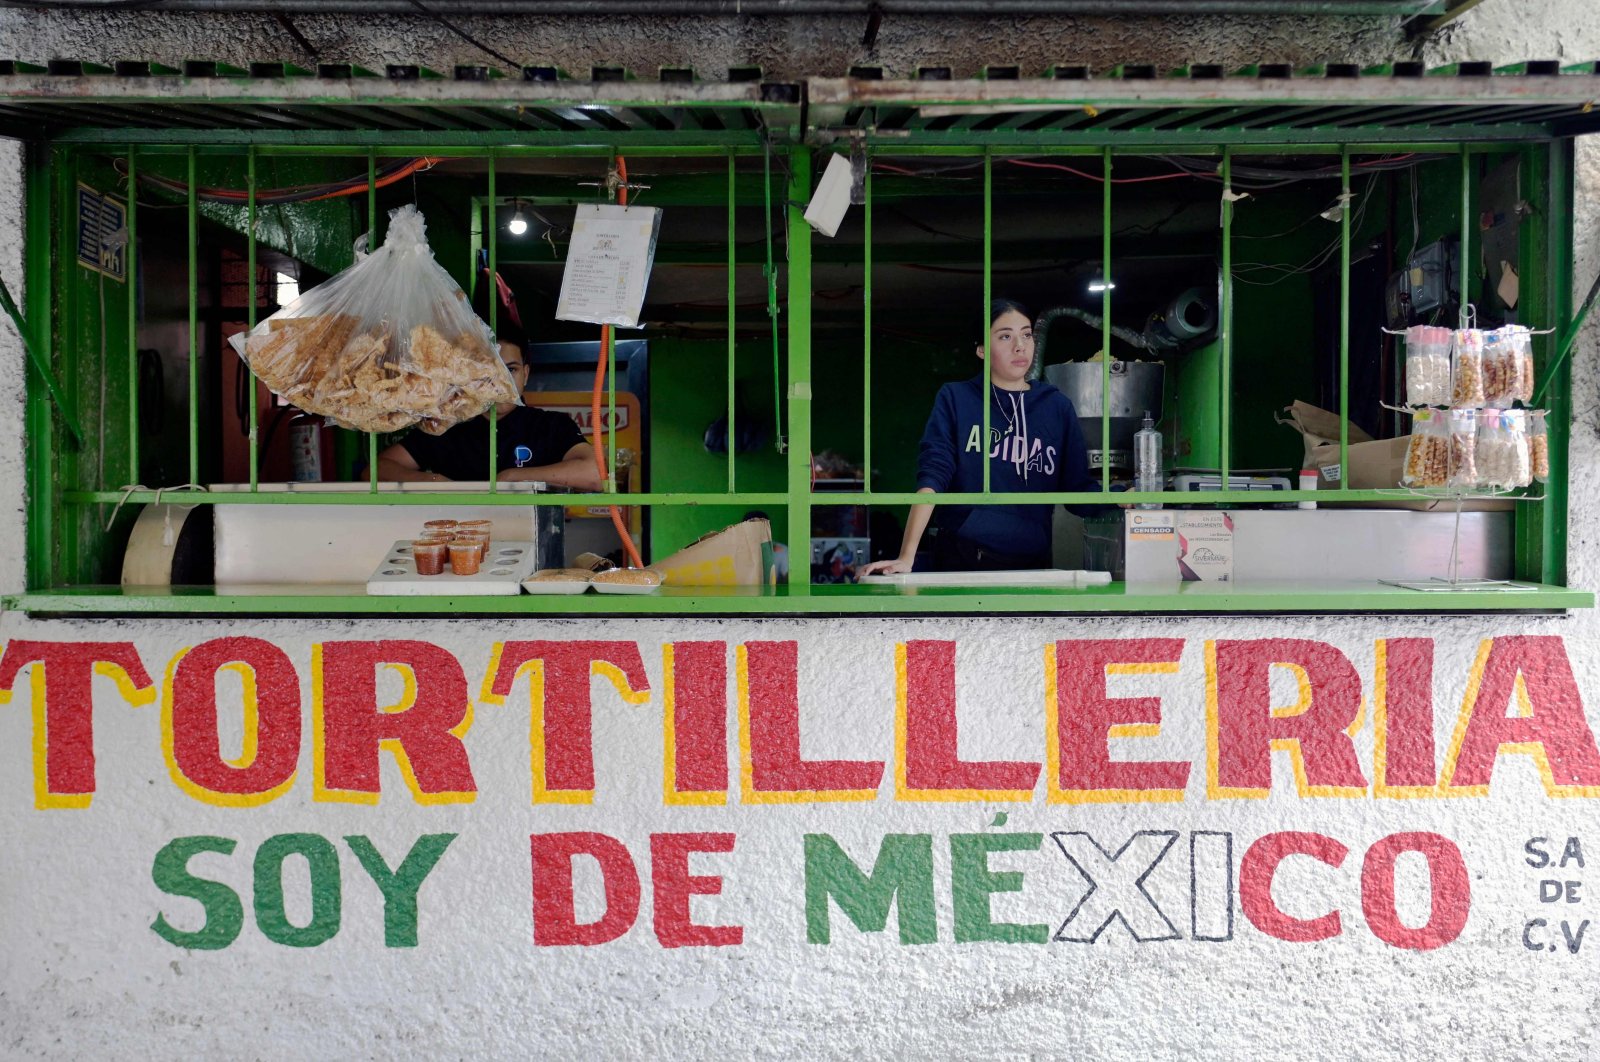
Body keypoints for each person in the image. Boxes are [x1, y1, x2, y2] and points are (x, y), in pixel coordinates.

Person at [859, 298, 1098, 575]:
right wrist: (906, 555)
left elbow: (1078, 493)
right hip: (962, 557)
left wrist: (1122, 497)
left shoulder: (1056, 406)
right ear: (982, 349)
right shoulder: (957, 398)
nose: (1019, 346)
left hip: (1032, 564)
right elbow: (933, 475)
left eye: (1027, 334)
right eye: (1005, 336)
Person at [376, 313, 603, 490]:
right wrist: (432, 482)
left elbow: (596, 474)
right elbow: (376, 470)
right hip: (458, 543)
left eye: (510, 370)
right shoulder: (446, 425)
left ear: (526, 373)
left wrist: (513, 477)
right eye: (487, 373)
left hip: (530, 541)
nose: (499, 383)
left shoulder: (550, 426)